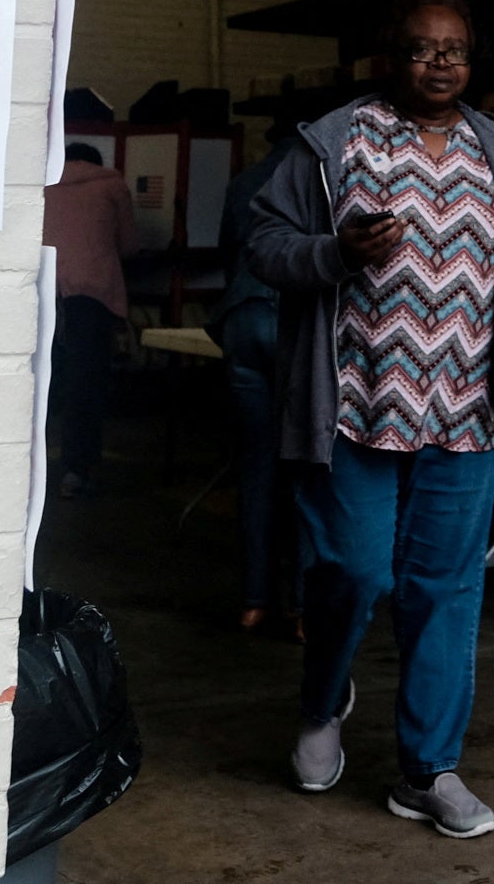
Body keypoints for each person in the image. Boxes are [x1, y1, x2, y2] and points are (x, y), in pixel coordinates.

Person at [243, 0, 494, 840]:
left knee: (446, 590)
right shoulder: (334, 143)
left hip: (467, 410)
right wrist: (333, 251)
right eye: (421, 49)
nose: (440, 64)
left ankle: (427, 770)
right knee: (352, 571)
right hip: (356, 405)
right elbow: (261, 242)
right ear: (385, 58)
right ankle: (323, 701)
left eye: (455, 51)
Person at [217, 139, 299, 636]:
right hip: (295, 322)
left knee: (258, 463)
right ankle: (302, 607)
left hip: (243, 318)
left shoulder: (244, 181)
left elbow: (231, 253)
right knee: (310, 467)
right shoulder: (323, 174)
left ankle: (254, 601)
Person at [43, 141, 139, 498]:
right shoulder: (113, 184)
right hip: (91, 295)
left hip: (46, 290)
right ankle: (76, 472)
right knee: (86, 386)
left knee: (43, 383)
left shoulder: (45, 185)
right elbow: (129, 245)